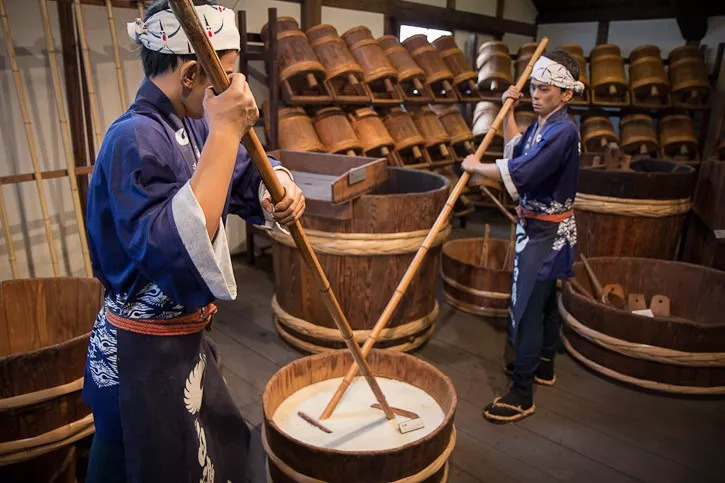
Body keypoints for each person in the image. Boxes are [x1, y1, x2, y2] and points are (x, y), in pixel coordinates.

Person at [82, 1, 305, 480]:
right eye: (223, 77)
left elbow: (245, 179)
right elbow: (174, 250)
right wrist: (228, 127)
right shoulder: (133, 138)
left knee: (209, 451)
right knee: (135, 460)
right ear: (189, 74)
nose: (231, 90)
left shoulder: (200, 121)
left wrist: (277, 192)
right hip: (138, 352)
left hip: (182, 344)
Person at [461, 50, 582, 424]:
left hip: (548, 232)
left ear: (566, 94)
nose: (536, 93)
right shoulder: (543, 126)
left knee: (527, 306)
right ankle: (545, 365)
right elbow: (517, 149)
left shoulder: (563, 131)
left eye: (545, 89)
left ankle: (521, 393)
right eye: (533, 87)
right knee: (545, 302)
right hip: (541, 226)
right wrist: (509, 113)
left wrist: (475, 167)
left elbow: (523, 173)